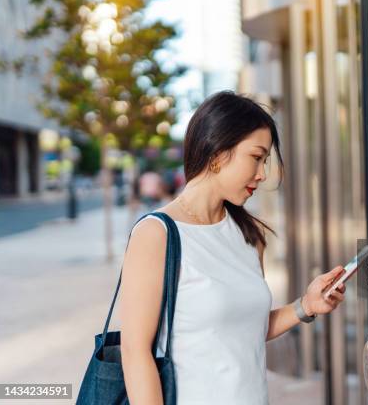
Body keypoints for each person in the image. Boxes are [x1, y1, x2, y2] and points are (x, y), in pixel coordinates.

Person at [119, 91, 347, 404]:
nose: (262, 173)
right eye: (256, 157)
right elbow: (135, 352)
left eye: (265, 161)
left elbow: (247, 329)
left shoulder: (249, 235)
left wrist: (305, 306)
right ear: (217, 152)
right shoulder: (156, 234)